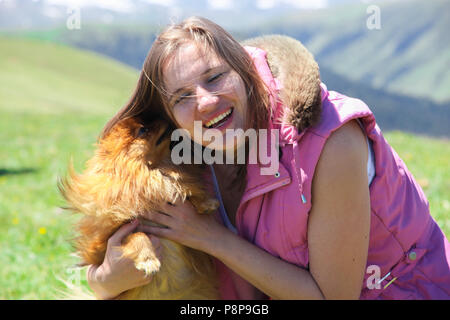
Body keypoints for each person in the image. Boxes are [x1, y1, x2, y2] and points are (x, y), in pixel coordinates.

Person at [86, 16, 450, 300]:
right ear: (168, 115)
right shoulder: (177, 156)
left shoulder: (331, 140)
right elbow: (104, 264)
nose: (205, 102)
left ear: (243, 71)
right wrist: (106, 278)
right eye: (182, 97)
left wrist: (208, 237)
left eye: (214, 78)